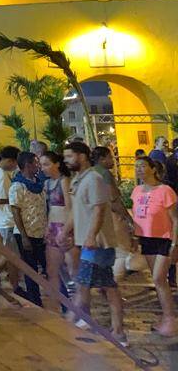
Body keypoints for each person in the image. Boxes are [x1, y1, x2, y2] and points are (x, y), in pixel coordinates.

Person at [64, 141, 126, 346]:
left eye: (70, 156)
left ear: (82, 156)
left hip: (98, 244)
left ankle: (71, 322)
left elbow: (99, 210)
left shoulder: (94, 179)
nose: (66, 160)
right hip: (88, 243)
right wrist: (65, 232)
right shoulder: (78, 180)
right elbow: (76, 211)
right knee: (106, 286)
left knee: (86, 285)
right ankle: (116, 330)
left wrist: (91, 236)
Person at [131, 156, 178, 336]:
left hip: (164, 239)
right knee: (158, 280)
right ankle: (167, 317)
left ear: (153, 169)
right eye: (136, 166)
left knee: (159, 279)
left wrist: (175, 243)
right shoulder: (136, 191)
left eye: (143, 166)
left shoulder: (165, 190)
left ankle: (170, 319)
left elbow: (175, 219)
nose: (139, 169)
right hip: (146, 239)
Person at [10, 151, 47, 305]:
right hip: (27, 233)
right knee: (31, 270)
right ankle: (35, 300)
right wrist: (24, 236)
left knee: (47, 267)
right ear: (27, 165)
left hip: (41, 232)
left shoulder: (39, 183)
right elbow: (15, 211)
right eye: (35, 162)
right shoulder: (17, 186)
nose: (38, 166)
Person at [41, 150, 75, 317]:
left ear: (57, 164)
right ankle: (58, 305)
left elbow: (70, 207)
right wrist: (48, 226)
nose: (43, 168)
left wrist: (68, 230)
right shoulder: (48, 183)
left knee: (71, 269)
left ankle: (76, 306)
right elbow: (49, 207)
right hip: (53, 226)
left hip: (64, 227)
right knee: (53, 269)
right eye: (42, 165)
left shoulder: (64, 181)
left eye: (47, 164)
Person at [0, 146, 21, 290]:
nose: (15, 166)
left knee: (12, 256)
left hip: (2, 219)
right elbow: (1, 199)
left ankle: (15, 285)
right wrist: (18, 200)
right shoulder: (1, 175)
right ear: (10, 161)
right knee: (12, 253)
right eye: (15, 163)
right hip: (6, 219)